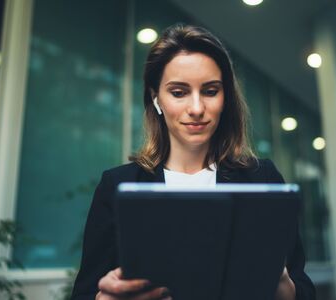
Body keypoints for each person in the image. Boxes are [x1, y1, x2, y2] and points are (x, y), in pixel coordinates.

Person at [71, 24, 315, 300]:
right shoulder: (117, 185)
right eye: (179, 92)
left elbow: (303, 289)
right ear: (156, 99)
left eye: (210, 91)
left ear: (226, 98)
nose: (197, 108)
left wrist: (280, 281)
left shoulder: (262, 178)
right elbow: (84, 293)